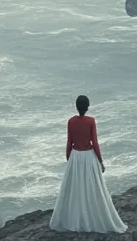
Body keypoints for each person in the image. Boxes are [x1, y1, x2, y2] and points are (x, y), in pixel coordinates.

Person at [49, 94, 128, 233]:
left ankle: (76, 218)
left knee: (75, 189)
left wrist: (69, 158)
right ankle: (91, 217)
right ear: (87, 107)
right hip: (88, 157)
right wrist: (100, 161)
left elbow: (69, 142)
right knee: (93, 188)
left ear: (76, 106)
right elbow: (95, 143)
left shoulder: (71, 122)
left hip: (75, 156)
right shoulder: (91, 121)